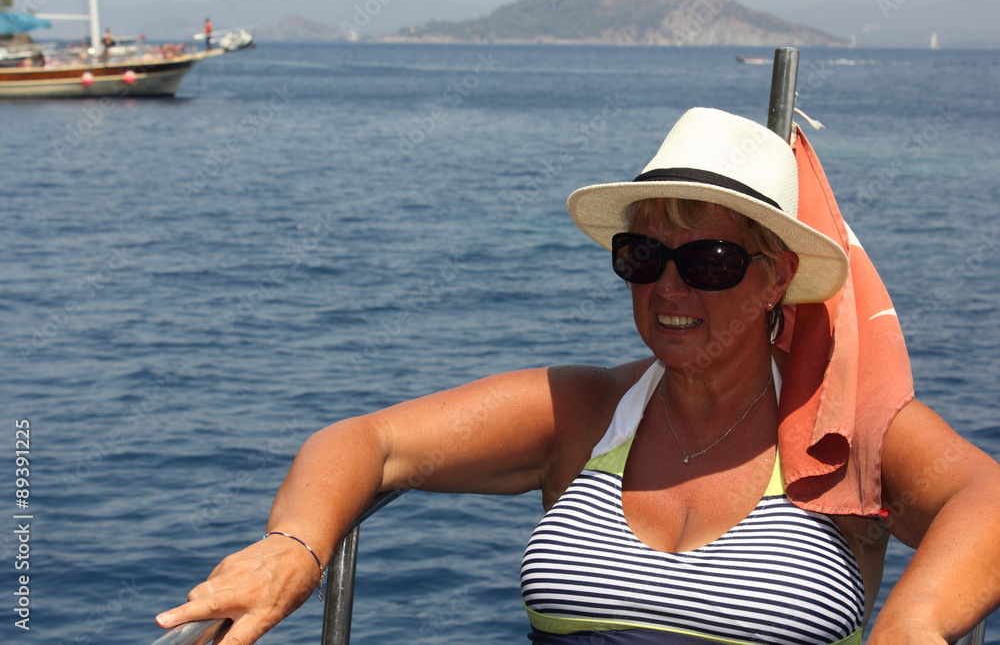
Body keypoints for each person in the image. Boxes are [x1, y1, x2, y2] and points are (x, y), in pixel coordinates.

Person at [156, 108, 1000, 644]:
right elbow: (365, 441)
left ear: (776, 278)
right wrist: (293, 545)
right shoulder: (588, 413)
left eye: (707, 260)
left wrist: (913, 622)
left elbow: (986, 496)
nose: (668, 288)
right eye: (642, 257)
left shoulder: (837, 433)